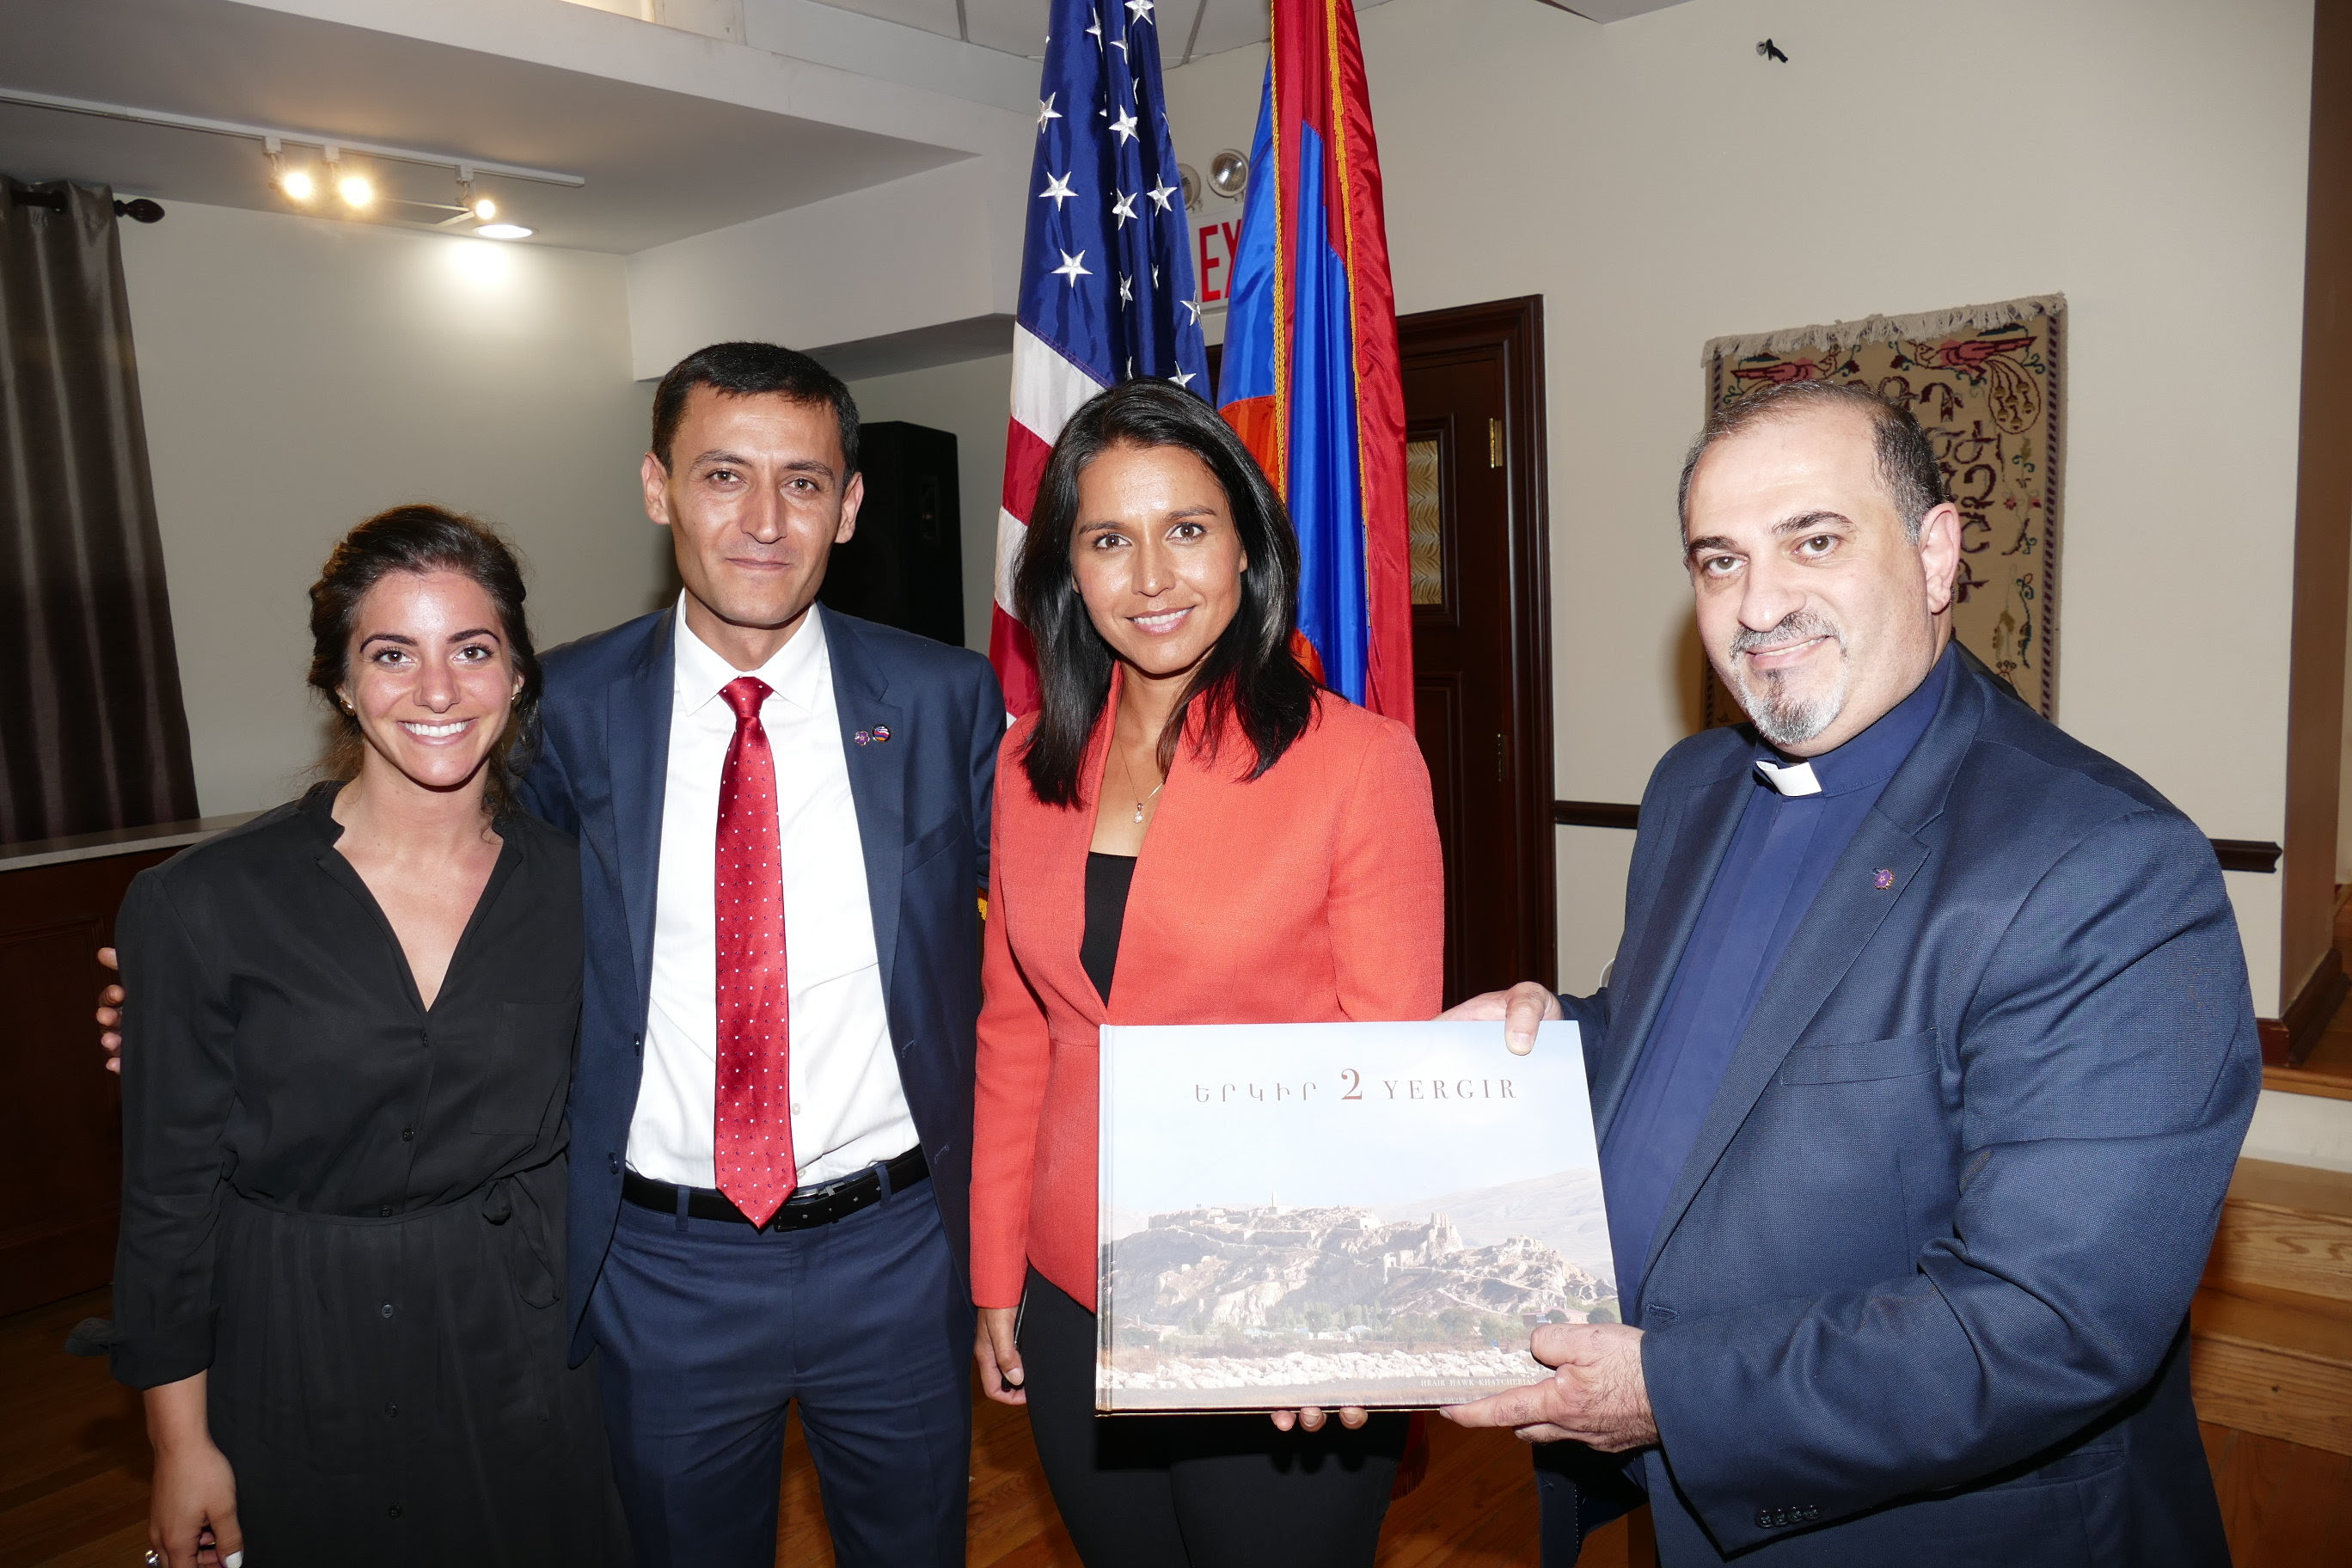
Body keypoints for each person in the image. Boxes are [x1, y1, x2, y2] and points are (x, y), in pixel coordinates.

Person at [1442, 379, 2262, 1565]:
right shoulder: (1691, 790)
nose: (1759, 603)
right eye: (1720, 561)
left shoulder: (2104, 865)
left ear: (1936, 556)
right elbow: (1680, 1043)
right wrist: (1546, 1037)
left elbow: (2047, 1321)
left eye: (1814, 541)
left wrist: (1672, 1393)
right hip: (1688, 1511)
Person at [514, 343, 1001, 1567]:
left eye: (804, 482)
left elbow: (1065, 918)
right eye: (724, 475)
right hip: (661, 1268)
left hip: (898, 1257)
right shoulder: (563, 709)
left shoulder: (944, 699)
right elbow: (449, 892)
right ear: (658, 488)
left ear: (851, 505)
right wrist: (214, 968)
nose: (765, 521)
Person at [968, 379, 1445, 1567]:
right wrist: (995, 1271)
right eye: (1107, 540)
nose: (1151, 577)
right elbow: (1016, 1036)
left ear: (1246, 546)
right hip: (1072, 1287)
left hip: (1279, 1294)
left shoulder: (1359, 764)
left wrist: (1351, 1312)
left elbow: (1388, 1073)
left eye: (1186, 528)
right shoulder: (1024, 766)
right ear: (1066, 570)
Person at [107, 506, 628, 1567]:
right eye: (392, 654)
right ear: (342, 683)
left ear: (517, 675)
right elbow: (167, 1200)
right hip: (293, 1350)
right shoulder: (203, 903)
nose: (438, 692)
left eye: (471, 651)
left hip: (520, 1351)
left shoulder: (586, 888)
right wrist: (178, 1442)